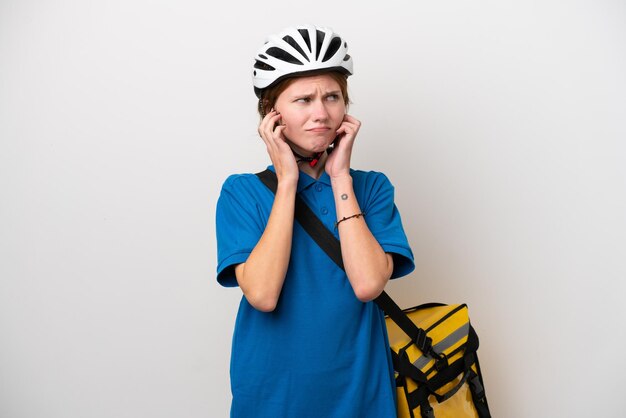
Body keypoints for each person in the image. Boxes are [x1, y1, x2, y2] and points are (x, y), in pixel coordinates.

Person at [215, 24, 415, 418]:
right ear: (272, 114)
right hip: (273, 399)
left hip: (362, 395)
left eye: (332, 97)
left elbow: (368, 283)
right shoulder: (242, 193)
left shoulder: (371, 188)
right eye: (303, 100)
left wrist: (341, 177)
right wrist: (287, 181)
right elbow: (262, 294)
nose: (321, 113)